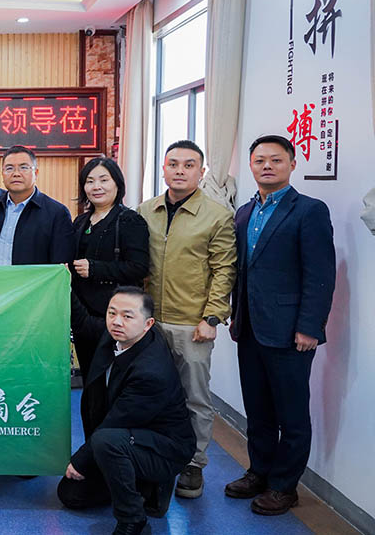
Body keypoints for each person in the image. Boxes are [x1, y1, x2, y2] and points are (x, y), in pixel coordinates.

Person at [224, 135, 336, 516]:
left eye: (276, 159)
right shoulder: (244, 213)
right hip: (250, 328)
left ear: (292, 164)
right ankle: (259, 472)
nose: (267, 166)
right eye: (260, 160)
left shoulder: (309, 211)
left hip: (291, 333)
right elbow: (243, 271)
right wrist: (236, 315)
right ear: (251, 166)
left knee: (291, 414)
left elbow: (320, 273)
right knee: (257, 409)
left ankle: (285, 486)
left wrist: (310, 326)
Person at [137, 139, 236, 500]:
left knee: (194, 396)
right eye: (173, 164)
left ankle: (193, 464)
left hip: (192, 323)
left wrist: (212, 317)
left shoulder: (217, 215)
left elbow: (224, 270)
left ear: (201, 171)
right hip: (149, 322)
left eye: (189, 165)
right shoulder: (145, 211)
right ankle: (154, 458)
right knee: (150, 392)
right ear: (163, 168)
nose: (180, 171)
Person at [59, 286, 196, 535]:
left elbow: (116, 421)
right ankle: (141, 486)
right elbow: (84, 322)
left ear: (148, 324)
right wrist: (66, 286)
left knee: (105, 441)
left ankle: (133, 519)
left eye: (127, 316)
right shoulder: (118, 336)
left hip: (164, 447)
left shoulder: (151, 371)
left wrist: (80, 461)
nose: (117, 321)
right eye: (112, 313)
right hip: (132, 436)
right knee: (70, 494)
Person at [70, 157, 150, 382]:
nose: (96, 187)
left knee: (113, 380)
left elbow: (139, 267)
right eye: (90, 181)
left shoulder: (130, 220)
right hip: (83, 316)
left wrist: (95, 269)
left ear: (117, 183)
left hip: (114, 315)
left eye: (104, 180)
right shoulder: (80, 221)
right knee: (90, 379)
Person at [0, 146, 74, 266]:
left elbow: (60, 266)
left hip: (35, 279)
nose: (16, 174)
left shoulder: (57, 213)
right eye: (9, 168)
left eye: (24, 168)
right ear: (2, 174)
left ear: (35, 173)